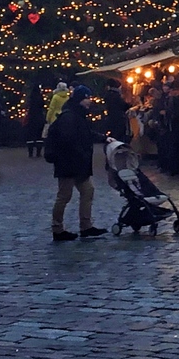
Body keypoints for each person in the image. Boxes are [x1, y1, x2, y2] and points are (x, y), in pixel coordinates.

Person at [48, 85, 105, 242]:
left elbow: (85, 133)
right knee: (64, 196)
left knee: (88, 190)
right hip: (68, 164)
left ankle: (85, 226)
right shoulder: (70, 117)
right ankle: (57, 229)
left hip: (78, 164)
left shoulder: (76, 115)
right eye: (87, 98)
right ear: (81, 99)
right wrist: (81, 153)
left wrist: (104, 138)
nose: (89, 101)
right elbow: (68, 140)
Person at [102, 79, 130, 145]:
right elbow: (124, 106)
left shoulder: (107, 95)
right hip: (119, 120)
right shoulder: (116, 95)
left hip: (110, 119)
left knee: (112, 137)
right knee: (119, 138)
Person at [24, 82, 47, 159]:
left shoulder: (30, 97)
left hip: (31, 117)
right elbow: (43, 105)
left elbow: (27, 105)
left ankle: (30, 153)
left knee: (30, 135)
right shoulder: (40, 97)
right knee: (39, 135)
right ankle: (38, 152)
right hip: (39, 117)